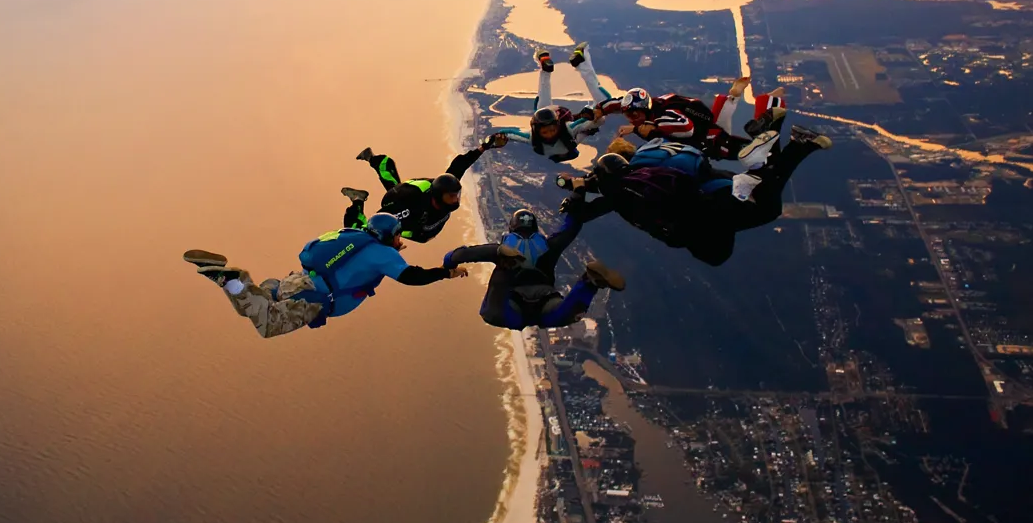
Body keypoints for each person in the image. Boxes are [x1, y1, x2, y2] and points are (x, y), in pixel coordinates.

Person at [560, 124, 833, 265]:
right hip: (714, 182)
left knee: (759, 216)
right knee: (761, 201)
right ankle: (790, 148)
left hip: (708, 213)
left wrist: (577, 193)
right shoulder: (643, 169)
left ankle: (781, 155)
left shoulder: (619, 194)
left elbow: (583, 213)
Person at [183, 213, 467, 339]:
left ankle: (230, 281)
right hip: (314, 298)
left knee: (252, 308)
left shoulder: (356, 235)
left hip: (297, 281)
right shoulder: (383, 254)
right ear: (389, 237)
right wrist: (446, 273)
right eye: (397, 236)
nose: (399, 240)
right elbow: (411, 277)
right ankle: (232, 279)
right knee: (268, 325)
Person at [439, 207, 626, 331]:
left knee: (492, 313)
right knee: (565, 313)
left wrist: (449, 263)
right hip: (545, 300)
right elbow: (570, 229)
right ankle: (589, 283)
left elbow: (465, 254)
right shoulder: (549, 246)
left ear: (511, 229)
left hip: (512, 304)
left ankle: (505, 271)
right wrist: (575, 201)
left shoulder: (500, 250)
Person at [344, 132, 508, 242]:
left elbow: (461, 164)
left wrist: (485, 146)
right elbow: (378, 222)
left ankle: (375, 159)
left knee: (419, 235)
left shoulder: (447, 185)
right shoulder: (410, 211)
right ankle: (358, 201)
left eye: (456, 195)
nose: (455, 199)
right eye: (451, 196)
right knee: (369, 235)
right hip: (402, 201)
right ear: (437, 196)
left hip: (418, 216)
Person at [585, 76, 787, 164]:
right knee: (721, 126)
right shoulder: (646, 106)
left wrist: (646, 127)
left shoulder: (662, 116)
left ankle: (770, 106)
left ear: (644, 110)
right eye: (628, 115)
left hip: (711, 141)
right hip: (709, 127)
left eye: (635, 115)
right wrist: (600, 110)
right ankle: (745, 98)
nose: (632, 118)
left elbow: (687, 128)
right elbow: (619, 103)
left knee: (760, 157)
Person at [490, 45, 609, 163]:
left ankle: (578, 63)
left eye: (547, 131)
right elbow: (509, 134)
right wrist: (596, 116)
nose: (550, 135)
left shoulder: (533, 138)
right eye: (550, 131)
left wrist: (497, 138)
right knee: (603, 106)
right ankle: (557, 67)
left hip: (557, 115)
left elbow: (508, 134)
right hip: (560, 116)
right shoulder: (567, 130)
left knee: (604, 104)